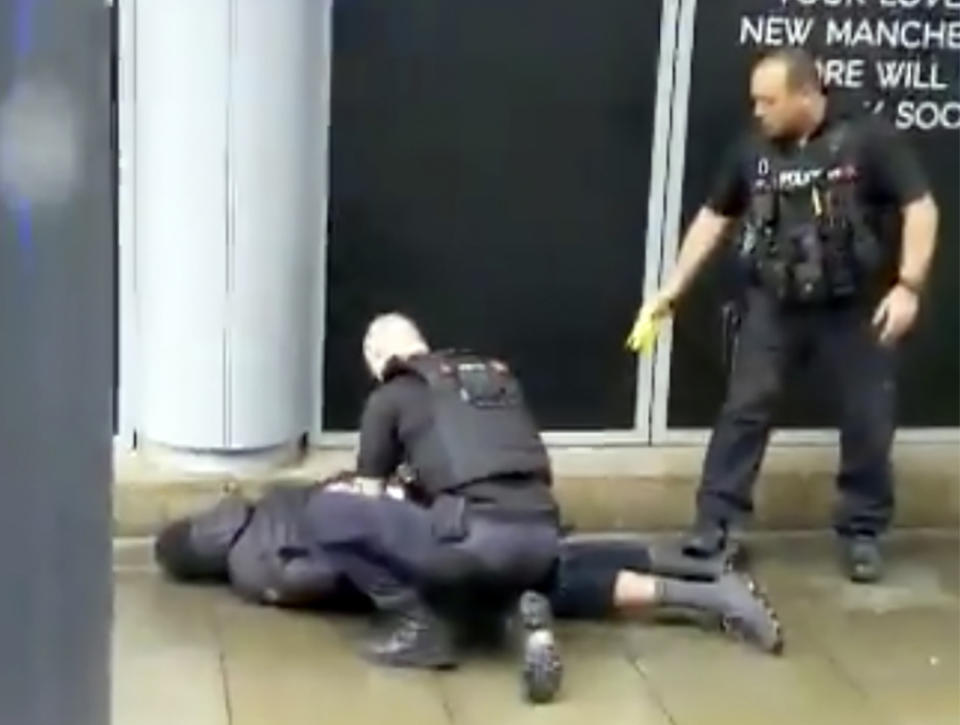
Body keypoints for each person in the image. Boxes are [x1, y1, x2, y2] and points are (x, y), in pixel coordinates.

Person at [634, 48, 939, 583]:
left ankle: (861, 531)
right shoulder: (752, 149)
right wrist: (673, 288)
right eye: (755, 99)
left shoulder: (869, 140)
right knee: (745, 408)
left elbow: (921, 207)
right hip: (775, 303)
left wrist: (909, 286)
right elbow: (714, 216)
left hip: (853, 307)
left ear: (806, 94)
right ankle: (717, 524)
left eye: (769, 100)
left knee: (867, 416)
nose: (758, 111)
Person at [154, 473, 785, 658]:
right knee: (557, 560)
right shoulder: (275, 497)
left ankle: (709, 593)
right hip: (442, 520)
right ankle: (701, 569)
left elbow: (325, 579)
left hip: (424, 565)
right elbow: (356, 488)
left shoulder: (251, 568)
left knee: (557, 581)